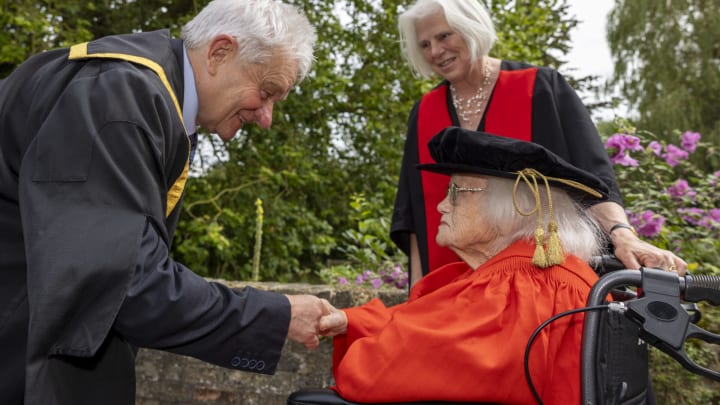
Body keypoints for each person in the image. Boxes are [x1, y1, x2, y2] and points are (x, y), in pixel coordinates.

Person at [0, 0, 327, 403]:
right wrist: (275, 316)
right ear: (219, 52)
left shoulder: (148, 96)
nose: (267, 117)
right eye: (267, 91)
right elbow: (121, 283)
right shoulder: (118, 97)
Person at [390, 0, 687, 287]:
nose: (436, 51)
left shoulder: (540, 88)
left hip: (534, 285)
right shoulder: (425, 111)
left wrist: (623, 235)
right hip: (448, 288)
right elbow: (414, 215)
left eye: (444, 35)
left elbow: (593, 180)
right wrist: (417, 293)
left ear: (471, 26)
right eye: (424, 44)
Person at [318, 127, 610, 404]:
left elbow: (376, 371)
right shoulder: (541, 275)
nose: (442, 205)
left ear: (509, 210)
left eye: (456, 192)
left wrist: (362, 349)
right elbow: (426, 322)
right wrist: (353, 322)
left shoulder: (516, 287)